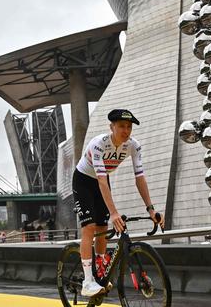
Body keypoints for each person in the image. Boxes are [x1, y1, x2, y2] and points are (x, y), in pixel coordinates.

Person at [72, 109, 165, 297]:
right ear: (111, 127)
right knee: (89, 227)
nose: (126, 131)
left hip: (102, 180)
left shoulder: (133, 146)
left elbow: (140, 178)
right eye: (121, 126)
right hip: (83, 181)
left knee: (102, 227)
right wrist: (114, 212)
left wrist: (150, 209)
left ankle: (99, 265)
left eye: (129, 127)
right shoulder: (98, 144)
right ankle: (87, 282)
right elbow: (100, 180)